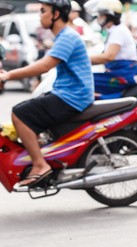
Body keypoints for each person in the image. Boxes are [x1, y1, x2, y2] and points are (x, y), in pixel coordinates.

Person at [0, 0, 94, 187]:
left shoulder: (67, 36)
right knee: (33, 108)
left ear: (56, 14)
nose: (40, 15)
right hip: (68, 93)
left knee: (19, 113)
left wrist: (8, 75)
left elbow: (44, 66)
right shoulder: (62, 36)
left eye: (43, 11)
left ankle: (39, 164)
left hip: (73, 96)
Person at [89, 0, 137, 99]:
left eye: (101, 15)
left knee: (84, 80)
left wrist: (82, 60)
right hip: (121, 72)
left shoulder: (118, 31)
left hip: (126, 73)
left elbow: (109, 56)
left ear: (109, 16)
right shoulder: (114, 30)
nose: (99, 18)